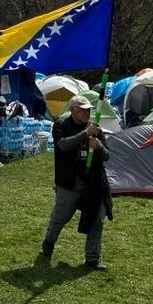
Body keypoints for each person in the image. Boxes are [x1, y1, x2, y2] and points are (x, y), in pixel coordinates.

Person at [40, 94, 113, 270]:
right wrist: (84, 135)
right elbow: (63, 145)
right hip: (69, 183)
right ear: (73, 111)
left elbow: (107, 155)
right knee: (60, 218)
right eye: (82, 111)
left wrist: (98, 146)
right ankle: (48, 244)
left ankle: (92, 258)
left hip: (93, 183)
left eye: (88, 111)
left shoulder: (95, 128)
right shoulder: (60, 126)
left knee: (97, 218)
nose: (86, 114)